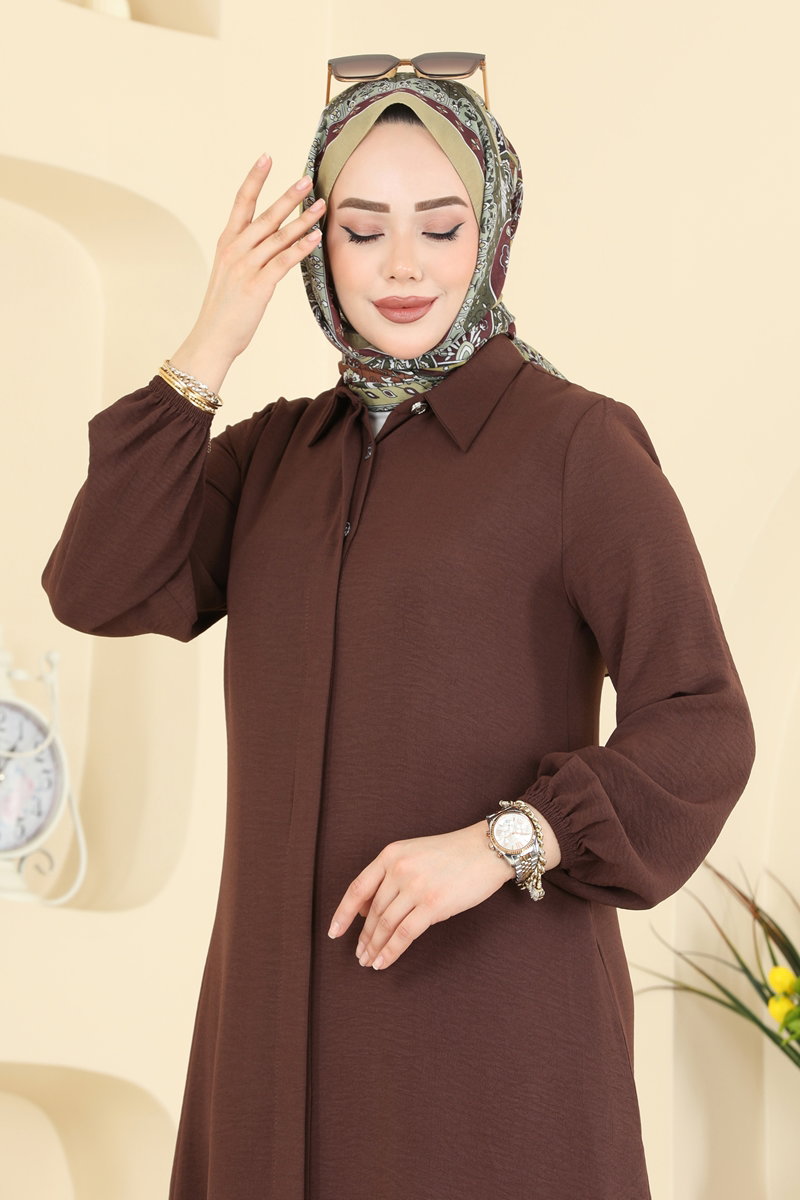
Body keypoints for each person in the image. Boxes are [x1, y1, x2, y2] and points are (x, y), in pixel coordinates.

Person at [43, 65, 755, 1200]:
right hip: (273, 1042)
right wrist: (214, 337)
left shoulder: (575, 447)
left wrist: (507, 840)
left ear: (494, 228)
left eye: (441, 226)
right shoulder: (274, 457)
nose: (404, 267)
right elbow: (97, 584)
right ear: (317, 248)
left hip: (493, 1039)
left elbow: (701, 720)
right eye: (363, 231)